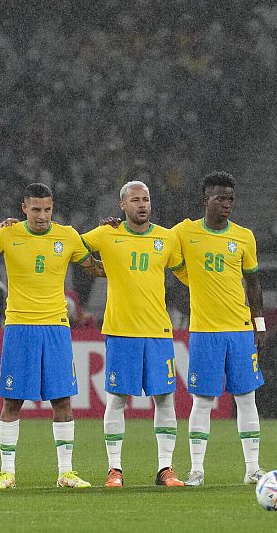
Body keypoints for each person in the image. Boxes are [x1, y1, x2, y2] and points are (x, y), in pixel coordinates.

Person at [0, 182, 104, 489]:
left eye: (47, 209)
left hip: (56, 328)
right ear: (24, 208)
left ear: (53, 208)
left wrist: (126, 246)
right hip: (19, 328)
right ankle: (7, 472)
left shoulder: (67, 236)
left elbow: (96, 268)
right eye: (35, 209)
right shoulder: (8, 234)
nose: (42, 216)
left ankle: (66, 472)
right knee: (12, 401)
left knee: (62, 401)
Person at [81, 181, 186, 488]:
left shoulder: (166, 238)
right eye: (135, 200)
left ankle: (165, 468)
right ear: (122, 205)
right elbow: (69, 247)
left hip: (157, 331)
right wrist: (96, 267)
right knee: (117, 399)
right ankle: (115, 469)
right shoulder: (107, 234)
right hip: (121, 330)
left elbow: (183, 272)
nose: (142, 204)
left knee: (165, 399)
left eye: (146, 199)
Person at [171, 171, 266, 486]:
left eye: (230, 199)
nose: (227, 204)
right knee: (203, 400)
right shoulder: (185, 232)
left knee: (246, 397)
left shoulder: (243, 236)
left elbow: (253, 283)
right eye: (220, 198)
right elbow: (158, 246)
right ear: (205, 200)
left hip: (239, 330)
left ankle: (252, 468)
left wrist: (260, 323)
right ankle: (196, 469)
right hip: (204, 332)